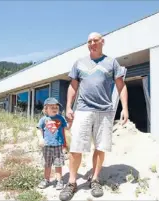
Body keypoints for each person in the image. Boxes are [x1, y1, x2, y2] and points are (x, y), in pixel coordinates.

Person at [59, 32, 129, 201]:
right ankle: (72, 182)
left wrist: (125, 108)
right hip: (82, 110)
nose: (92, 43)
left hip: (105, 111)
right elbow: (73, 86)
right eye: (89, 41)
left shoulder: (111, 62)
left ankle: (95, 179)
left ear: (102, 42)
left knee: (100, 147)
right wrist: (68, 106)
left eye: (95, 40)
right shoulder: (79, 63)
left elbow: (121, 86)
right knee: (76, 148)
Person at [37, 97, 69, 190]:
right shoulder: (43, 119)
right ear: (46, 109)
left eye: (56, 107)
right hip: (46, 146)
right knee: (47, 164)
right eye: (52, 107)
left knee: (58, 164)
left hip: (58, 146)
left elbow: (66, 128)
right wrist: (40, 139)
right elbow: (39, 130)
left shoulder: (61, 118)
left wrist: (71, 121)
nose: (55, 108)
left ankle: (59, 181)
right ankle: (46, 180)